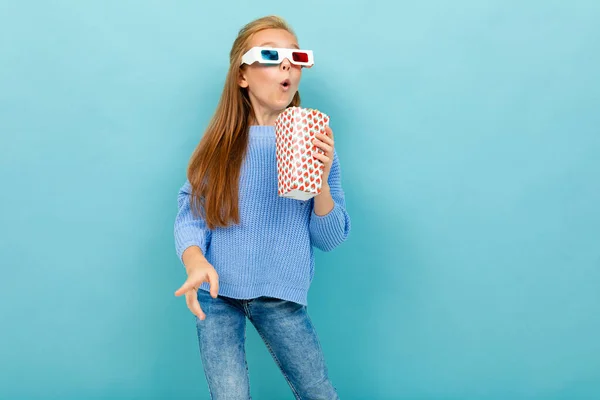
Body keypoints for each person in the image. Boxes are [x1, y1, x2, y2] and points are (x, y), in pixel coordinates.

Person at [172, 15, 351, 400]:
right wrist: (194, 262)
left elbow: (329, 238)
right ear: (242, 76)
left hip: (280, 295)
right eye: (271, 56)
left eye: (295, 56)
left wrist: (320, 182)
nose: (287, 64)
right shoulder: (220, 148)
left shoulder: (316, 145)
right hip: (217, 295)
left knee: (318, 392)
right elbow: (192, 213)